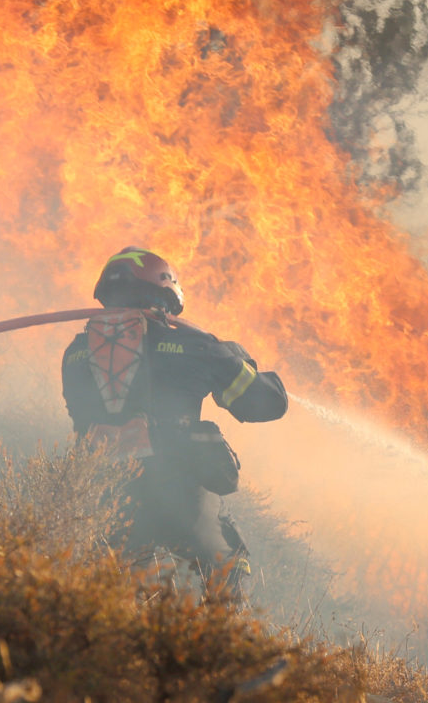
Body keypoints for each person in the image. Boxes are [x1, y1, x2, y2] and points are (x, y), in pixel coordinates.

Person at [60, 247, 288, 600]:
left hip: (104, 493)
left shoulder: (75, 354)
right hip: (179, 490)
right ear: (163, 296)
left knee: (117, 594)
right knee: (226, 563)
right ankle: (223, 628)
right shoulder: (194, 345)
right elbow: (267, 403)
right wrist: (235, 359)